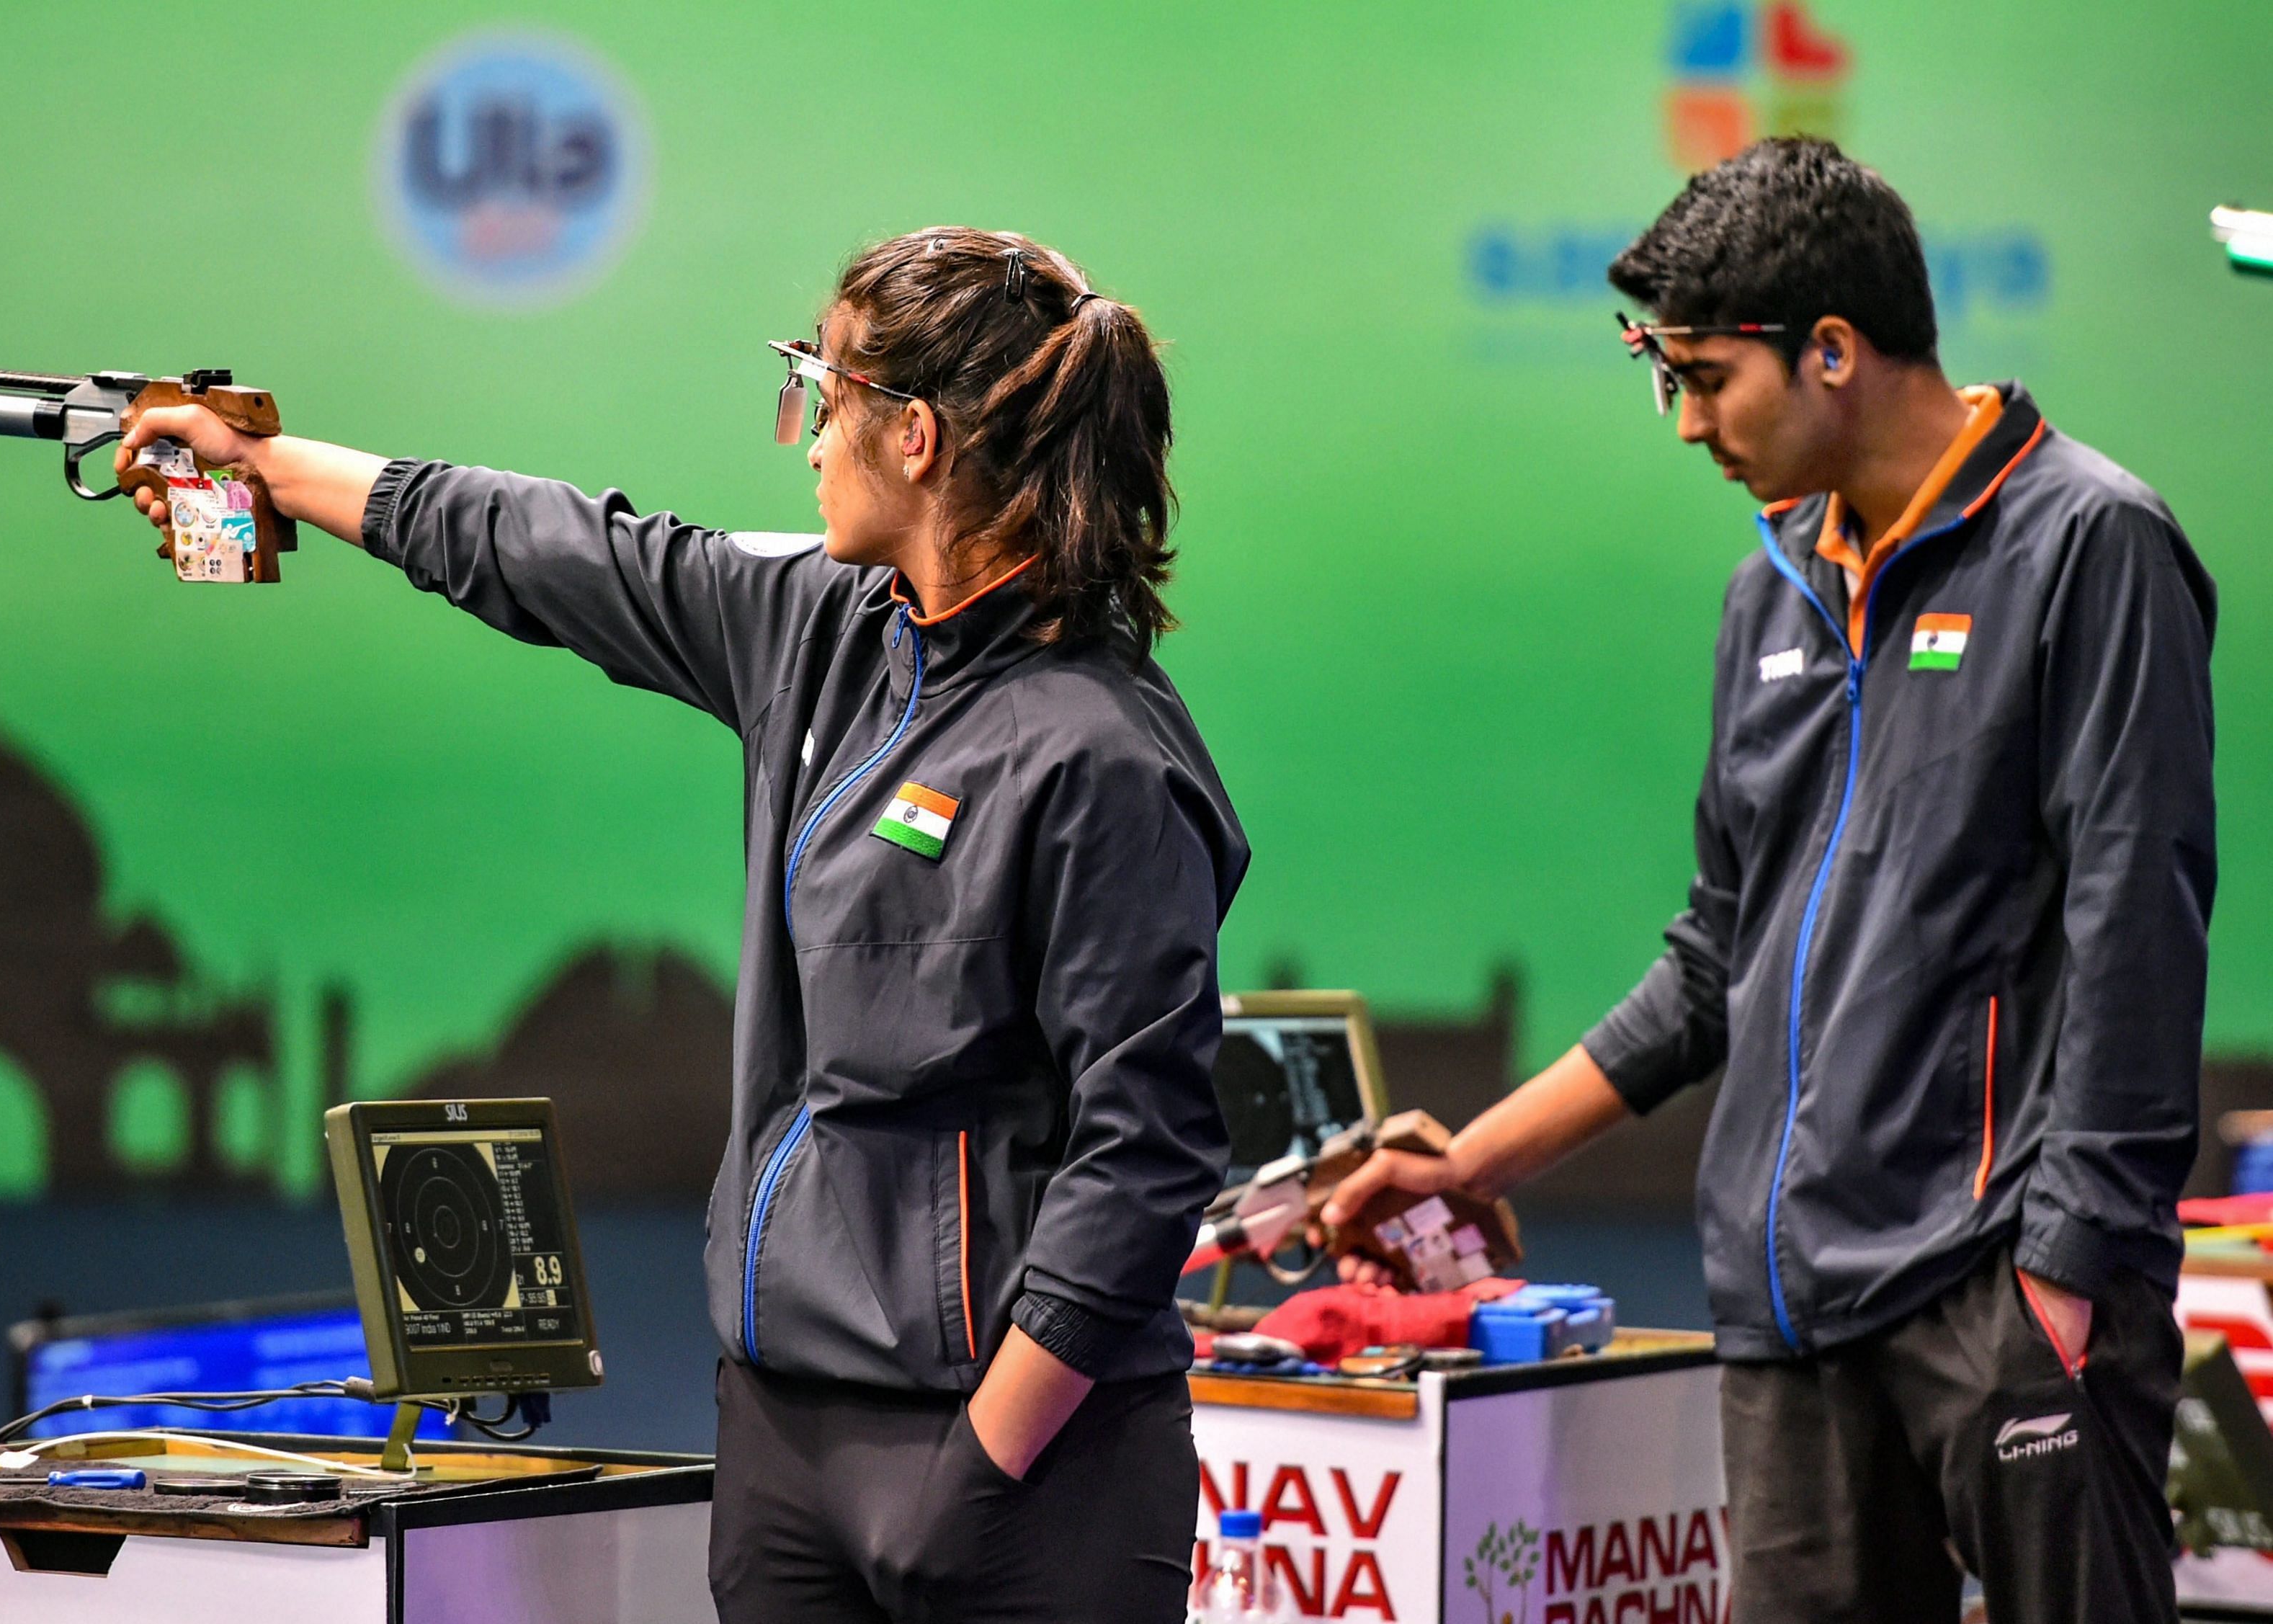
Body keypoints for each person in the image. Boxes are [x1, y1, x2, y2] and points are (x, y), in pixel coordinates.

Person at [119, 227, 1247, 1622]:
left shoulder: (1102, 755)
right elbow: (558, 549)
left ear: (915, 437)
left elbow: (1145, 1153)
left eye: (822, 394)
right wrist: (265, 465)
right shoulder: (824, 625)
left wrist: (982, 1466)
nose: (807, 441)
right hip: (785, 1433)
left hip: (1025, 1464)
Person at [1323, 138, 2213, 1620]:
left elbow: (2139, 928)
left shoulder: (2092, 544)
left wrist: (2072, 1269)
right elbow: (1713, 962)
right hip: (1791, 1321)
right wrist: (1468, 1164)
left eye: (1704, 377)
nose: (1685, 422)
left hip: (2010, 1296)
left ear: (1833, 352)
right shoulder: (1770, 590)